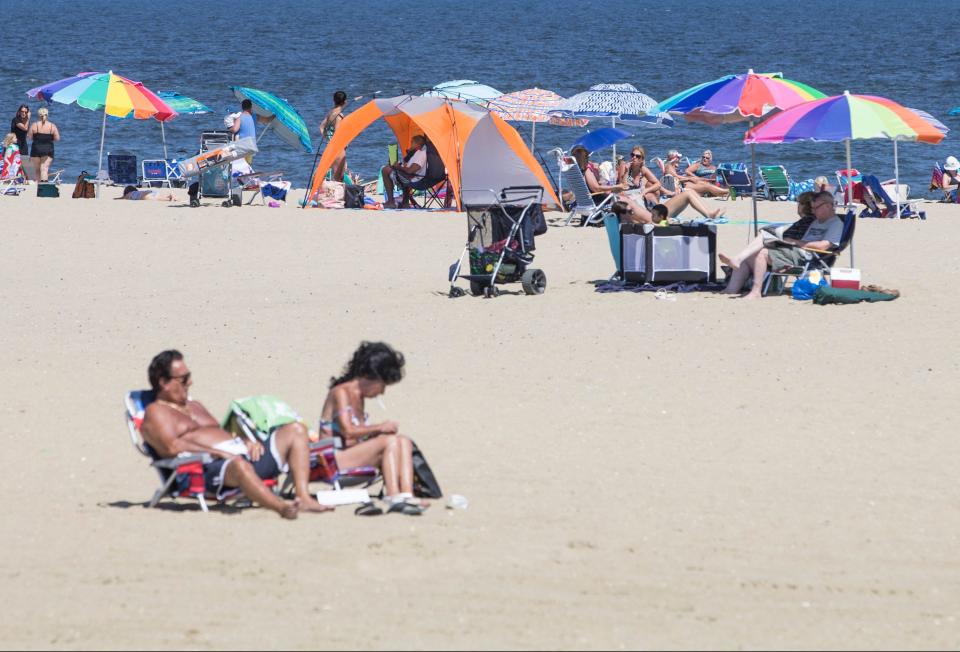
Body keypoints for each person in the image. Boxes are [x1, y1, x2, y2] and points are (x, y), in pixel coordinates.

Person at [139, 350, 331, 518]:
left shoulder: (194, 406)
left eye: (189, 376)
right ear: (163, 382)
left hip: (243, 455)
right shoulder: (156, 412)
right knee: (238, 465)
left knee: (296, 429)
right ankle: (280, 507)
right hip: (209, 467)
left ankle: (303, 497)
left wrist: (246, 441)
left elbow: (220, 433)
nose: (190, 382)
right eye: (183, 379)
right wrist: (218, 453)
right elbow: (172, 447)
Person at [319, 342, 427, 515]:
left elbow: (356, 437)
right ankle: (393, 495)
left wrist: (377, 432)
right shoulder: (341, 392)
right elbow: (347, 431)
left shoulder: (358, 398)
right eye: (383, 385)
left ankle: (407, 494)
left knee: (403, 441)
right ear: (372, 377)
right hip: (332, 459)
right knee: (389, 441)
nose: (382, 392)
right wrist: (380, 428)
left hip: (351, 454)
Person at [719, 190, 843, 299]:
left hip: (807, 257)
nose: (813, 211)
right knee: (751, 253)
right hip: (796, 250)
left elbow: (823, 246)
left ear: (827, 206)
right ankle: (731, 289)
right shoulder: (817, 221)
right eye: (812, 208)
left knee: (762, 253)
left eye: (816, 208)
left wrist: (795, 242)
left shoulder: (835, 224)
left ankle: (756, 291)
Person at [380, 134, 428, 209]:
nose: (410, 144)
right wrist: (398, 165)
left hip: (415, 179)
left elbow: (410, 170)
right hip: (411, 177)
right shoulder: (417, 153)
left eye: (412, 142)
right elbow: (408, 168)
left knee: (385, 170)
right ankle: (405, 203)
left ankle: (390, 202)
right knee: (390, 168)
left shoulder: (422, 154)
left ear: (417, 145)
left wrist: (398, 167)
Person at [664, 149, 729, 198]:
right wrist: (690, 179)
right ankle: (727, 191)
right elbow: (676, 178)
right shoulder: (668, 166)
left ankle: (724, 192)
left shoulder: (670, 166)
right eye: (678, 157)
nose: (679, 159)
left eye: (707, 158)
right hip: (682, 186)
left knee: (705, 184)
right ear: (674, 158)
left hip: (684, 184)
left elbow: (676, 177)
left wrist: (691, 178)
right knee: (707, 186)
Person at [229, 99, 273, 164]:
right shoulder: (255, 116)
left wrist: (230, 128)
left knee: (241, 164)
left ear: (242, 107)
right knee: (248, 163)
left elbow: (234, 130)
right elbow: (267, 120)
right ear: (251, 107)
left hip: (242, 145)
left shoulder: (240, 118)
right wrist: (275, 115)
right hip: (251, 145)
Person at [318, 91, 348, 183]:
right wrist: (344, 144)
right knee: (339, 177)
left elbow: (321, 127)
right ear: (345, 102)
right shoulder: (339, 115)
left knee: (336, 176)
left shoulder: (331, 113)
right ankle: (336, 196)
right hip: (338, 148)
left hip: (330, 146)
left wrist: (328, 139)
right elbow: (337, 134)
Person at [27, 107, 59, 182]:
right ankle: (44, 187)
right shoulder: (52, 126)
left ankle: (38, 188)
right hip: (48, 150)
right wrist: (49, 139)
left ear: (39, 115)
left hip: (36, 149)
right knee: (44, 169)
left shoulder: (35, 125)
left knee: (37, 170)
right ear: (47, 115)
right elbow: (57, 138)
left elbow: (29, 137)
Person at [10, 105, 30, 179]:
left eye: (25, 112)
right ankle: (14, 178)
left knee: (26, 163)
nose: (24, 113)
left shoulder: (26, 121)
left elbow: (27, 132)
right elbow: (25, 128)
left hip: (23, 143)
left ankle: (26, 179)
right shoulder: (15, 120)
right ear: (19, 112)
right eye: (22, 111)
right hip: (15, 144)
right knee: (15, 163)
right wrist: (28, 119)